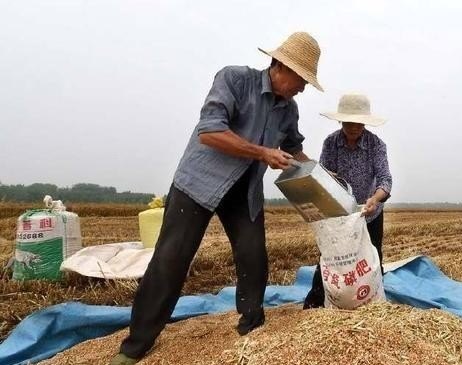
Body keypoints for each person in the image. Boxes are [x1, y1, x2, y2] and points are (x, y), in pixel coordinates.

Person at [111, 32, 323, 365]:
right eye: (303, 79)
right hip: (198, 183)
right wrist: (262, 152)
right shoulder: (235, 79)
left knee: (254, 256)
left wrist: (321, 180)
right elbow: (209, 132)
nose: (304, 87)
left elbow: (294, 149)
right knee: (171, 260)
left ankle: (251, 324)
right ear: (281, 66)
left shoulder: (288, 109)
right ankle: (135, 346)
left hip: (244, 190)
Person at [303, 94, 392, 309]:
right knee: (333, 258)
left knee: (371, 257)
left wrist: (374, 200)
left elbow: (385, 180)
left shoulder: (376, 145)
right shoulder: (331, 143)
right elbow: (324, 177)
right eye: (348, 122)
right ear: (340, 121)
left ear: (364, 122)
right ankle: (317, 302)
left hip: (369, 212)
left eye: (358, 122)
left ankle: (373, 304)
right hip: (339, 215)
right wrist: (328, 179)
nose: (353, 127)